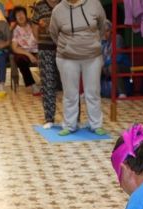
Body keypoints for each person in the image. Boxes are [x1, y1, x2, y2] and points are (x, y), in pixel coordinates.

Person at [49, 0, 107, 136]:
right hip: (66, 57)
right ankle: (69, 125)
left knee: (93, 92)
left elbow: (102, 25)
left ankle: (96, 125)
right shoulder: (58, 10)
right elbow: (53, 33)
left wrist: (93, 43)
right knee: (70, 93)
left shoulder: (94, 4)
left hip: (93, 57)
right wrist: (68, 47)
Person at [31, 0, 61, 128]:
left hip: (65, 49)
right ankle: (49, 119)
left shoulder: (65, 3)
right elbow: (34, 26)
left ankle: (73, 119)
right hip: (45, 48)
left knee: (70, 84)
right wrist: (40, 41)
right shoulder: (40, 5)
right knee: (47, 83)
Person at [10, 6, 40, 95]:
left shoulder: (33, 25)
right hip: (24, 52)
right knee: (20, 60)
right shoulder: (15, 30)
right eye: (17, 15)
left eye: (22, 13)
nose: (20, 16)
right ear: (15, 18)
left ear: (26, 15)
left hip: (37, 50)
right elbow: (14, 48)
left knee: (47, 57)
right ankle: (33, 85)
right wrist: (29, 55)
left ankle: (50, 84)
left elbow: (39, 39)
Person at [101, 19, 130, 98]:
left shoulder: (117, 38)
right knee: (95, 69)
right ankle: (91, 93)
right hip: (107, 65)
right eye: (103, 31)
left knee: (112, 67)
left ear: (111, 30)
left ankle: (122, 93)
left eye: (107, 31)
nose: (105, 34)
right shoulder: (104, 42)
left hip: (122, 65)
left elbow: (118, 57)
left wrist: (104, 63)